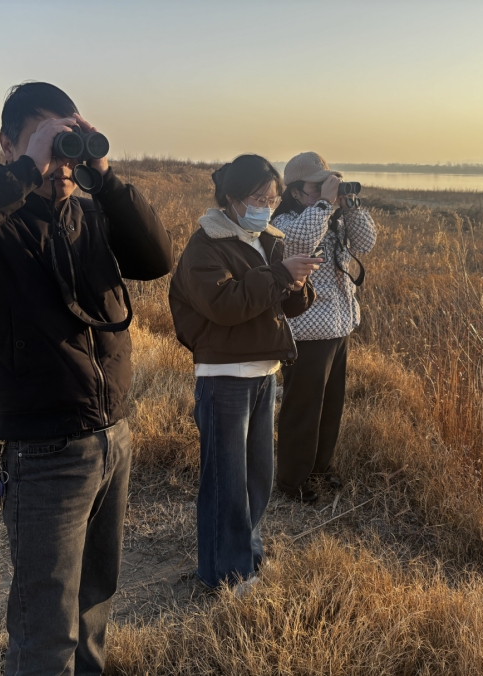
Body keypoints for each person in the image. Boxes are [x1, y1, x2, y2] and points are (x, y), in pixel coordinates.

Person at [0, 82, 173, 676]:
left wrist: (102, 173)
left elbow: (156, 259)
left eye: (69, 142)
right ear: (7, 144)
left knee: (94, 604)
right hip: (44, 450)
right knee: (45, 629)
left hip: (114, 437)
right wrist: (29, 168)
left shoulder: (90, 212)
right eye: (48, 141)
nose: (63, 161)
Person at [168, 154, 320, 589]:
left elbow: (282, 304)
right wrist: (277, 274)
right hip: (224, 375)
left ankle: (247, 559)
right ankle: (224, 574)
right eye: (258, 198)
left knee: (257, 478)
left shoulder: (265, 238)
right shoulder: (205, 246)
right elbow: (226, 304)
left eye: (271, 199)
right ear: (232, 199)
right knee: (226, 482)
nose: (266, 207)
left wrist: (297, 282)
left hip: (263, 370)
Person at [272, 151, 377, 503]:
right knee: (302, 409)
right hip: (305, 330)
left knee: (330, 406)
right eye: (316, 186)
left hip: (338, 326)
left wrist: (349, 205)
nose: (324, 191)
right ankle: (292, 481)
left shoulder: (332, 216)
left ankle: (320, 469)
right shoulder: (285, 220)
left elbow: (366, 243)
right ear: (296, 191)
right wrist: (325, 206)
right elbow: (299, 243)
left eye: (327, 183)